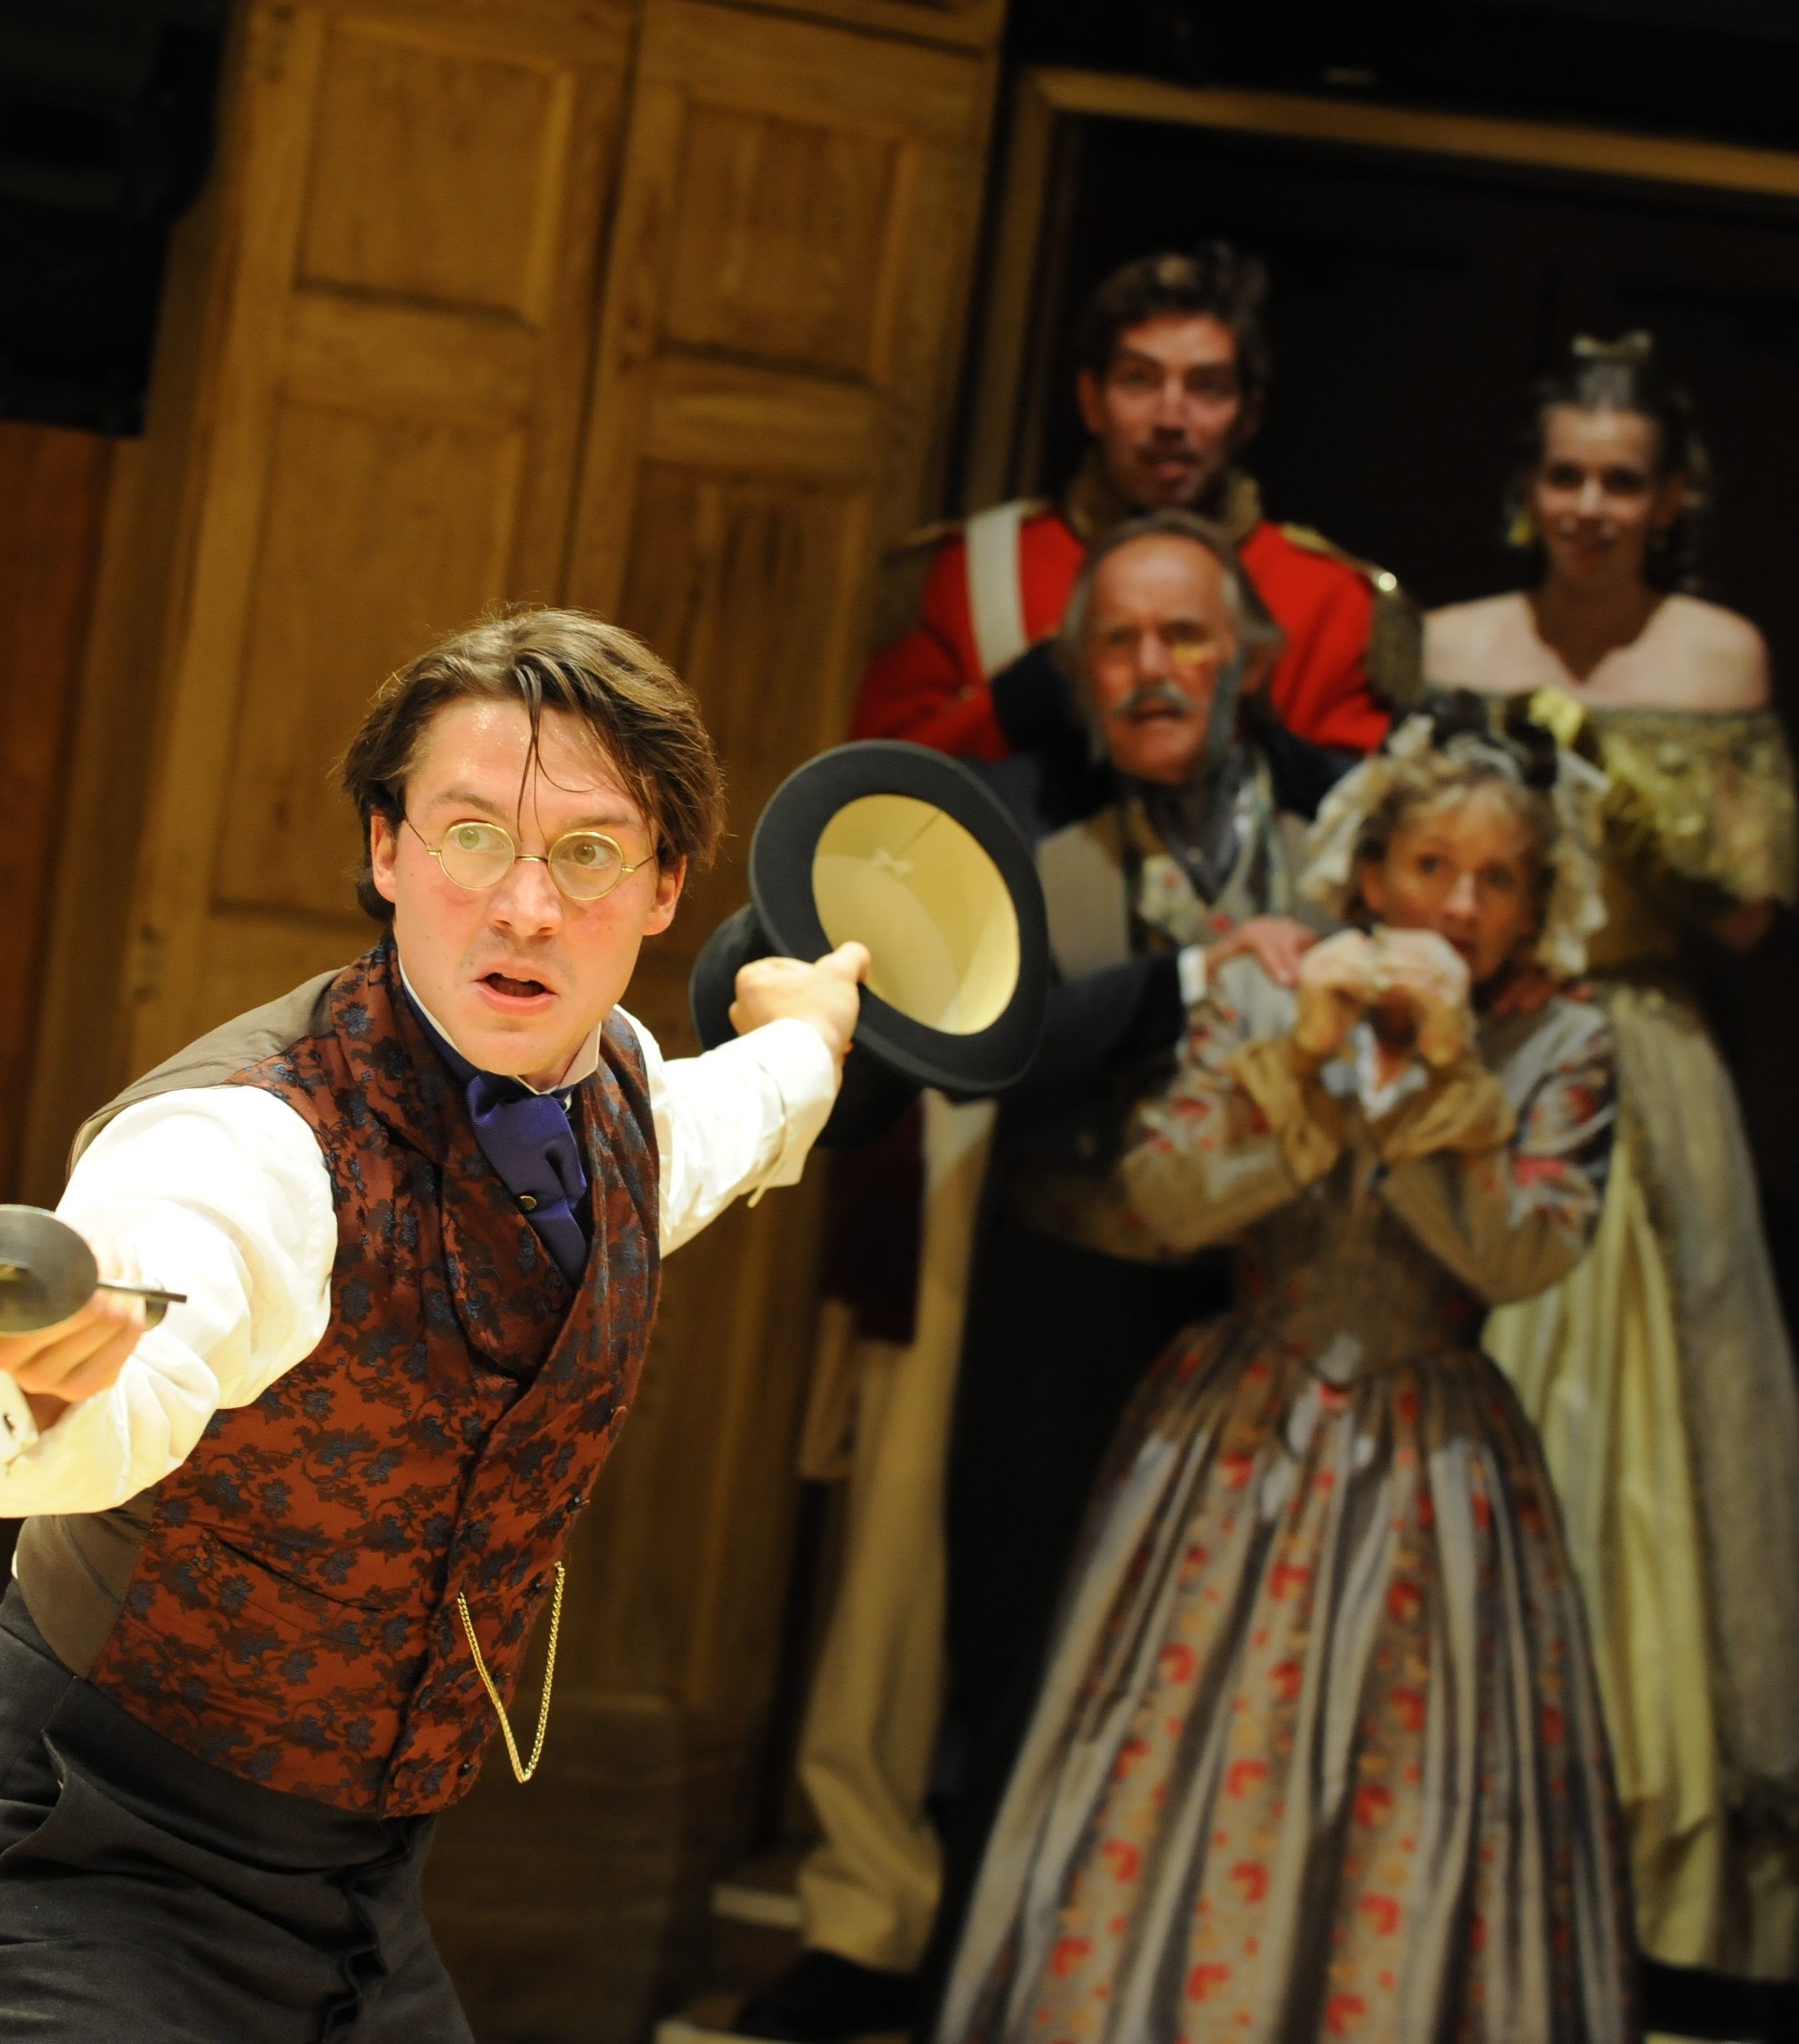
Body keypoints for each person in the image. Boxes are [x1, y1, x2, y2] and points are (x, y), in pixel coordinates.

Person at [0, 608, 870, 2042]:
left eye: (587, 854)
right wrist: (48, 1372)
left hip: (358, 1904)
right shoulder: (252, 1143)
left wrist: (807, 1028)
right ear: (386, 847)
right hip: (84, 1859)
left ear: (664, 888)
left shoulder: (629, 1114)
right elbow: (138, 1326)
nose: (524, 907)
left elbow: (742, 1111)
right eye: (471, 836)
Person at [939, 699, 1640, 2044]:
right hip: (1237, 1429)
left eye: (1500, 879)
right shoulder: (1273, 995)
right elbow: (1161, 1194)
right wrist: (1308, 1070)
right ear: (1370, 870)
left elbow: (1529, 1251)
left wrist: (1436, 1092)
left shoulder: (1562, 1044)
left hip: (1435, 1458)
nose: (1461, 905)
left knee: (1414, 1775)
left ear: (1538, 904)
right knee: (1177, 1755)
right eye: (1432, 865)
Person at [738, 516, 1324, 2043]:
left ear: (1247, 659)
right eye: (1117, 643)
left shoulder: (1334, 816)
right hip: (1043, 1288)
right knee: (991, 1630)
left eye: (1184, 637)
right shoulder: (1005, 818)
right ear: (1075, 671)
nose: (1152, 669)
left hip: (1265, 1309)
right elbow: (982, 1043)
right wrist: (1186, 984)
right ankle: (952, 1970)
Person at [1427, 336, 1799, 1980]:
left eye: (1621, 480)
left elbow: (1749, 912)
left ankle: (1627, 1875)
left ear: (1670, 500)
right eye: (1566, 475)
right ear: (1527, 490)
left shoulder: (1714, 652)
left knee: (1651, 1438)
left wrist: (1625, 807)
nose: (1590, 506)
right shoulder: (1449, 639)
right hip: (1470, 1040)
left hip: (1637, 1054)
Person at [851, 242, 1416, 815]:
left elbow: (1370, 828)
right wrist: (1013, 706)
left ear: (1249, 415)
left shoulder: (1332, 599)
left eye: (1207, 387)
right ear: (1091, 400)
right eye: (1139, 380)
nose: (1170, 418)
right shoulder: (973, 571)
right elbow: (870, 800)